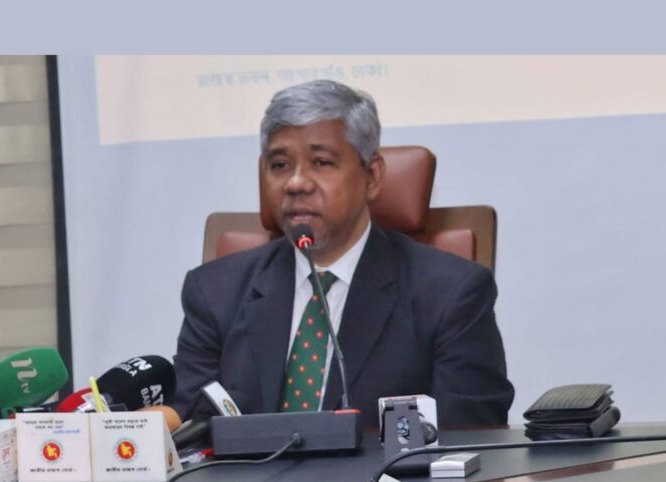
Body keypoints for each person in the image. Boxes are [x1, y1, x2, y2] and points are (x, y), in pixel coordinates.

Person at [168, 79, 513, 429]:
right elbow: (188, 427)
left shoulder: (450, 294)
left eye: (321, 162)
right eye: (280, 165)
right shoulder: (214, 291)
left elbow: (470, 433)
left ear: (372, 176)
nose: (296, 183)